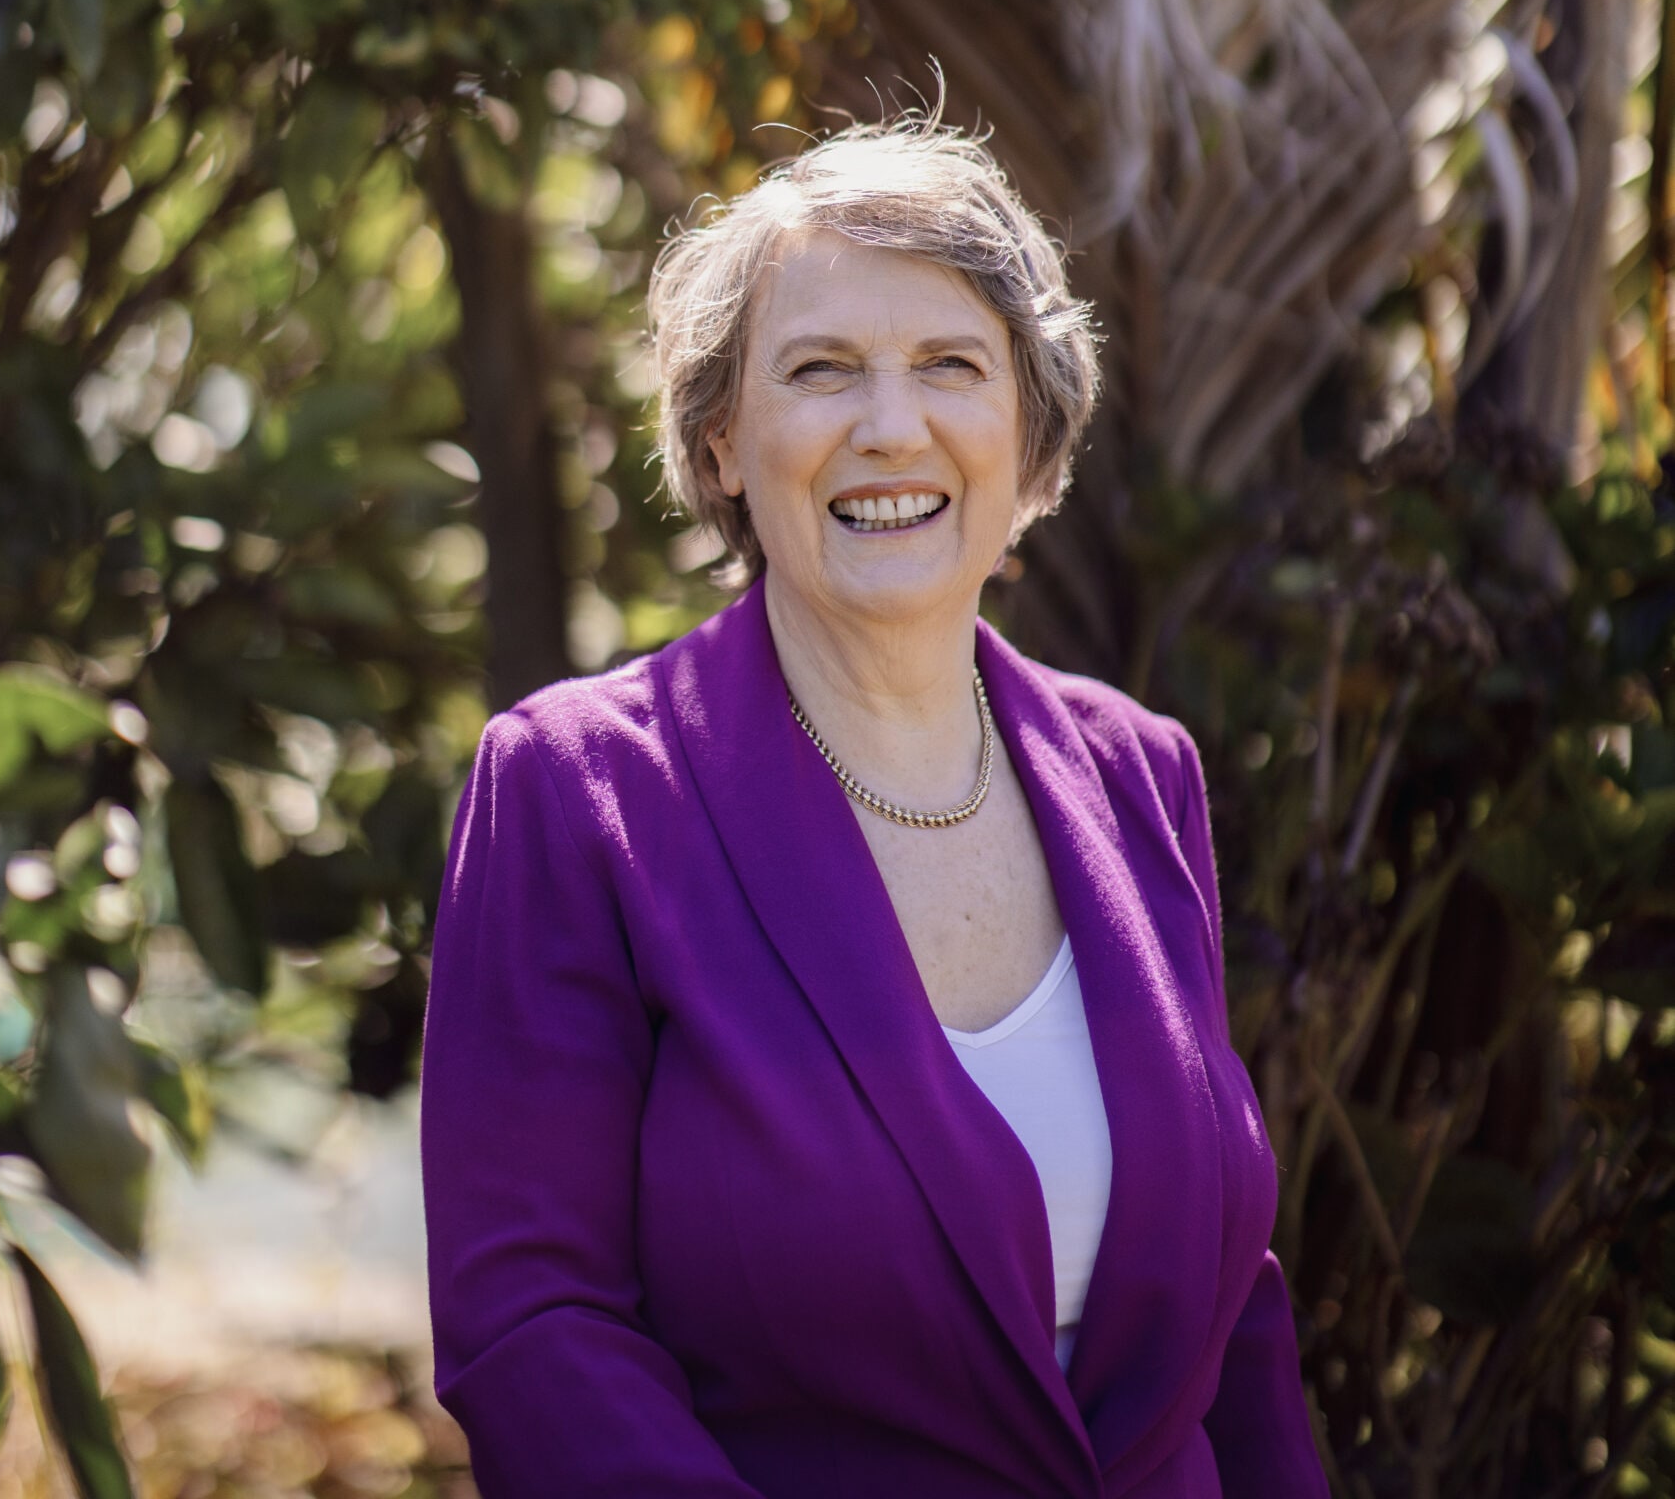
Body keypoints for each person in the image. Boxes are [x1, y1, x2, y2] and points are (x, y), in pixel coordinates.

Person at [421, 117, 1326, 1498]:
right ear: (725, 441)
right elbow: (534, 1331)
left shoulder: (1141, 773)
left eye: (951, 367)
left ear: (1028, 440)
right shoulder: (576, 791)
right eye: (822, 370)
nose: (889, 428)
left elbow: (1233, 1313)